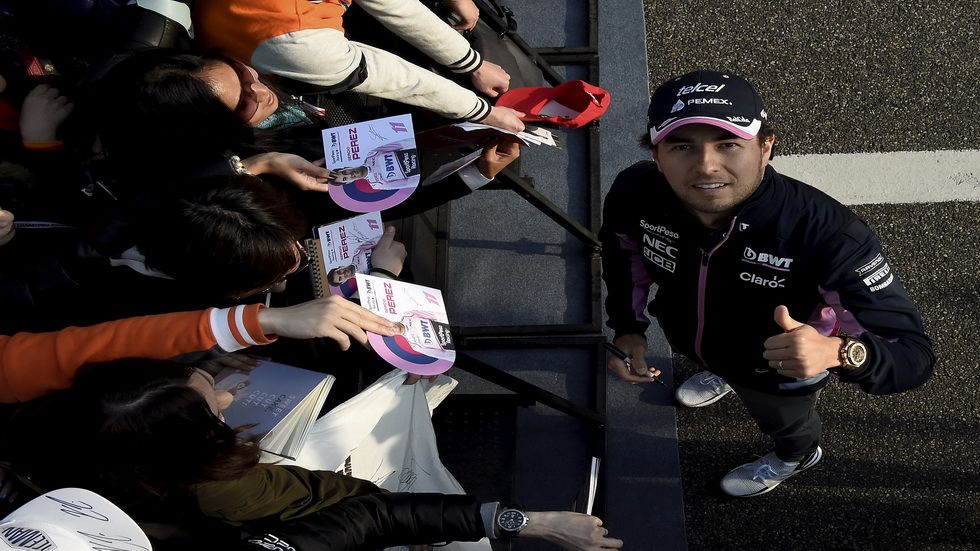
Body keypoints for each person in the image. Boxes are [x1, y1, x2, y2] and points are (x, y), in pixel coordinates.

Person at [600, 70, 934, 497]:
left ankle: (796, 456)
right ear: (657, 153)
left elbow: (912, 356)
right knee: (713, 358)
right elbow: (623, 253)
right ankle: (719, 372)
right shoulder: (636, 189)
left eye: (728, 145)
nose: (706, 166)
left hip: (778, 372)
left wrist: (837, 352)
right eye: (682, 146)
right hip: (689, 336)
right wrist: (628, 327)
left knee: (784, 423)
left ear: (765, 147)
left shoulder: (828, 233)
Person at [7, 359, 624, 551]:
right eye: (213, 407)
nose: (224, 396)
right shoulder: (230, 489)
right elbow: (367, 510)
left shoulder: (51, 440)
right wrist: (531, 521)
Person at [192, 0, 525, 132]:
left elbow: (397, 7)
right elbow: (398, 78)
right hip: (262, 71)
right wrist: (484, 112)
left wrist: (471, 63)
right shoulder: (300, 48)